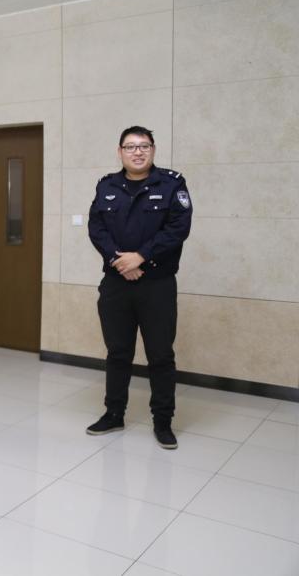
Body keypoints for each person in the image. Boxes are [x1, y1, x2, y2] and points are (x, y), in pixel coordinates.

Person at [86, 126, 192, 449]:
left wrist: (141, 257)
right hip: (116, 283)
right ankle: (113, 414)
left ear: (153, 150)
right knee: (118, 352)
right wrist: (120, 261)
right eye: (130, 146)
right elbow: (96, 228)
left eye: (144, 146)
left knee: (160, 355)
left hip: (157, 285)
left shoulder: (172, 184)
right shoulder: (106, 186)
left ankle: (163, 421)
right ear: (120, 152)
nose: (137, 152)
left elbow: (178, 228)